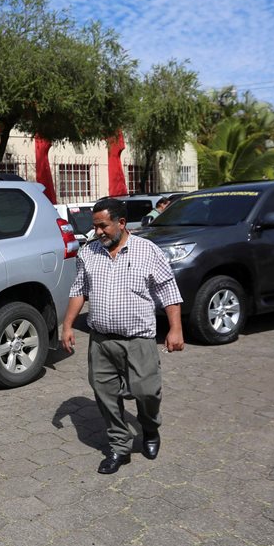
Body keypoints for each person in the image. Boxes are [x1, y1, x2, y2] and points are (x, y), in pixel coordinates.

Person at [61, 197, 186, 475]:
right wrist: (68, 325)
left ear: (121, 223)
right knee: (104, 393)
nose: (98, 232)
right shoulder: (88, 252)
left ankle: (150, 428)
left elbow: (168, 291)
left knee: (147, 391)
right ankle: (119, 445)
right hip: (102, 340)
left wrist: (176, 328)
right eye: (95, 227)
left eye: (103, 226)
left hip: (139, 340)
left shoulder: (148, 251)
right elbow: (79, 290)